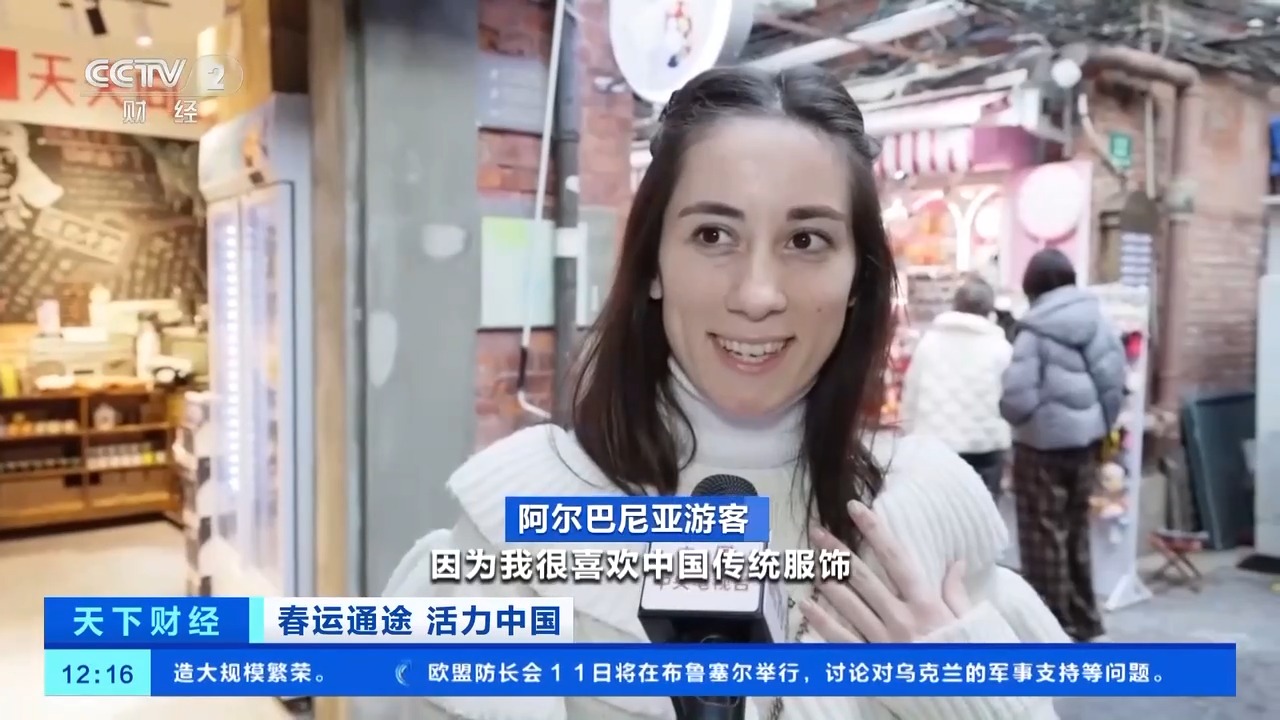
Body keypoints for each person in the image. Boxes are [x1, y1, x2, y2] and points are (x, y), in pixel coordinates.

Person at [367, 66, 1066, 720]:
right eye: (713, 234)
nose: (757, 295)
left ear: (859, 279)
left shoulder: (923, 519)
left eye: (805, 240)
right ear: (653, 264)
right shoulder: (516, 526)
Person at [1000, 248, 1126, 643]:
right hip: (1084, 444)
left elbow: (1017, 398)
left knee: (1043, 536)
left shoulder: (1034, 330)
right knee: (1075, 530)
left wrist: (1012, 414)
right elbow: (1113, 383)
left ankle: (1052, 625)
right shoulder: (1097, 320)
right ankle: (1087, 620)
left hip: (1040, 448)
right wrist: (1099, 426)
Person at [900, 277, 1012, 499]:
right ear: (989, 309)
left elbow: (911, 394)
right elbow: (1011, 400)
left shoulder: (929, 344)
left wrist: (908, 435)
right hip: (986, 448)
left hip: (935, 449)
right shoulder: (1001, 348)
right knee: (984, 514)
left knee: (937, 513)